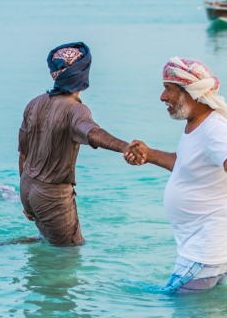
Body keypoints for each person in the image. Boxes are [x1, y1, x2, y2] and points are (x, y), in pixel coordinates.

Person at [125, 57, 227, 293]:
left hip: (208, 245)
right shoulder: (198, 124)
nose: (163, 97)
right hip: (208, 241)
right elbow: (187, 163)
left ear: (191, 93)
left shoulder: (215, 129)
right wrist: (149, 154)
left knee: (173, 303)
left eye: (169, 90)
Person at [19, 42, 139, 246]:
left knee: (49, 243)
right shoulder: (75, 110)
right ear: (82, 75)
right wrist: (125, 147)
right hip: (52, 196)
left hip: (28, 186)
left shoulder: (34, 103)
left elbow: (23, 153)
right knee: (70, 254)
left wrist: (26, 199)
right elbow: (92, 133)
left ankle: (1, 246)